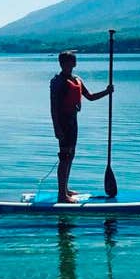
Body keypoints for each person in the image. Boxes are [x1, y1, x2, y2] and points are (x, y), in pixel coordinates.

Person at [49, 51, 113, 203]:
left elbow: (89, 97)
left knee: (71, 155)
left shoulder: (77, 79)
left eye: (73, 62)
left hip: (73, 120)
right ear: (62, 64)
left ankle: (65, 188)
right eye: (69, 62)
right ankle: (61, 195)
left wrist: (107, 91)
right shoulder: (58, 82)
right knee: (64, 156)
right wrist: (56, 128)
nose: (72, 64)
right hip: (63, 122)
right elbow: (54, 107)